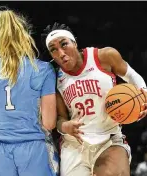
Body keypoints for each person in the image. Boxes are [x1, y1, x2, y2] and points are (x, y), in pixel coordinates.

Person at [41, 22, 147, 176]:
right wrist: (65, 126)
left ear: (74, 42)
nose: (61, 53)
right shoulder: (55, 78)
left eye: (64, 44)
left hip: (108, 139)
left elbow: (130, 75)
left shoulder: (104, 56)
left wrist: (143, 93)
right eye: (53, 50)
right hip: (74, 146)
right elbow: (60, 118)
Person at [0, 8, 59, 176]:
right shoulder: (42, 69)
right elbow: (49, 122)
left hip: (1, 150)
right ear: (26, 37)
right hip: (34, 148)